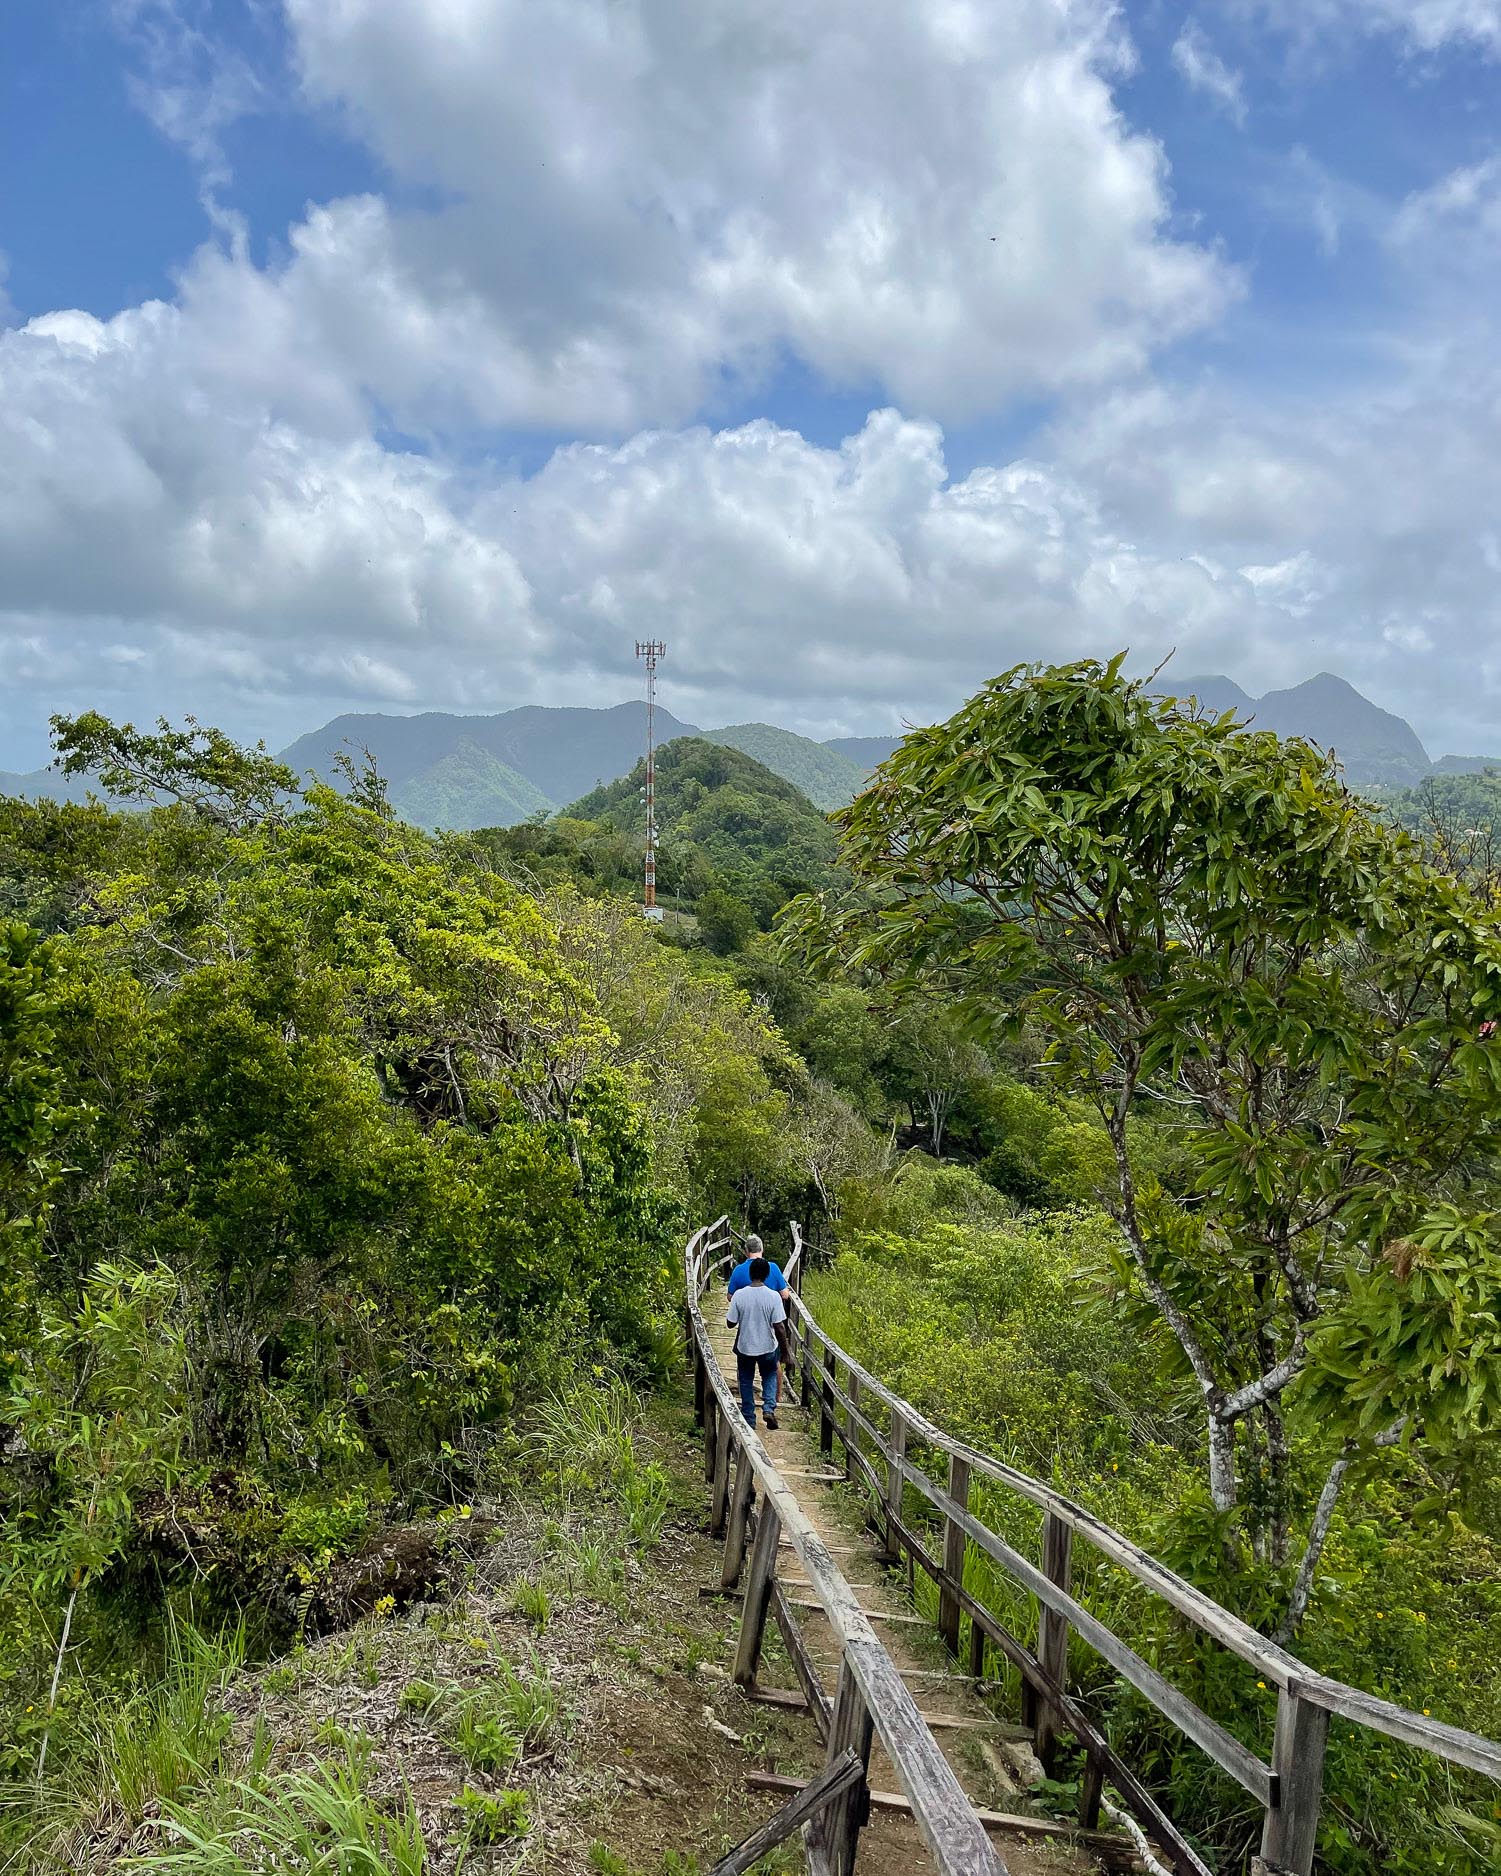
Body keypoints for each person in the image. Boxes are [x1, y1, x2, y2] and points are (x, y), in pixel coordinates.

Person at [726, 1256, 791, 1431]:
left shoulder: (739, 1295)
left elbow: (730, 1323)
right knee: (769, 1374)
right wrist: (785, 1353)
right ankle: (769, 1408)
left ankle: (749, 1418)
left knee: (746, 1380)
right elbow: (780, 1327)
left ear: (750, 1273)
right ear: (767, 1274)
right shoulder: (773, 1297)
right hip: (768, 1347)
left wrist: (742, 1314)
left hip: (745, 1346)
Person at [726, 1233, 788, 1299]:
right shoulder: (773, 1268)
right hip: (769, 1307)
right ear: (762, 1249)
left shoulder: (738, 1270)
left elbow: (730, 1297)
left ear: (746, 1251)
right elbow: (784, 1295)